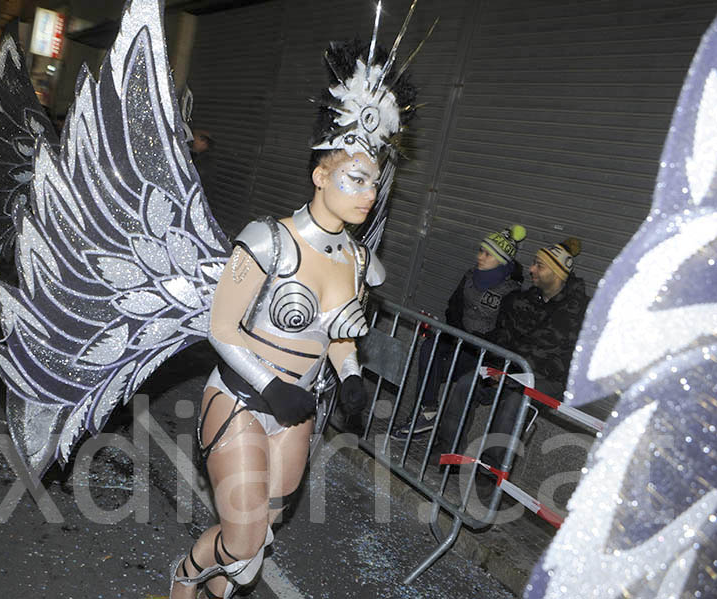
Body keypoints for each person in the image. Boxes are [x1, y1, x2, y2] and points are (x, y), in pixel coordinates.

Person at [169, 37, 419, 599]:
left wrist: (351, 375)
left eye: (375, 182)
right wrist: (270, 387)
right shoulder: (266, 241)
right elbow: (221, 328)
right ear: (320, 175)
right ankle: (185, 576)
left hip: (300, 406)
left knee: (267, 524)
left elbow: (335, 333)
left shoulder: (357, 260)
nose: (370, 193)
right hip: (240, 396)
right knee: (242, 539)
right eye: (356, 178)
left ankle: (218, 583)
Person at [433, 237, 589, 483]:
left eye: (539, 266)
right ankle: (448, 454)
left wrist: (514, 375)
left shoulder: (578, 312)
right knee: (468, 382)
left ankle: (491, 472)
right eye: (533, 264)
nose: (531, 269)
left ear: (558, 274)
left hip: (547, 379)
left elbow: (562, 358)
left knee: (515, 401)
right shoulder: (522, 300)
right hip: (510, 370)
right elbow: (502, 338)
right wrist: (490, 356)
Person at [392, 225, 525, 439]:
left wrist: (476, 343)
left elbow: (505, 333)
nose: (480, 257)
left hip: (483, 356)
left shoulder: (512, 294)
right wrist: (456, 334)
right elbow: (453, 307)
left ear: (501, 260)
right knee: (430, 347)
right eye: (481, 251)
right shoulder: (470, 276)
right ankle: (427, 412)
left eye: (487, 254)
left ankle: (445, 439)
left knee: (461, 378)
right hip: (460, 344)